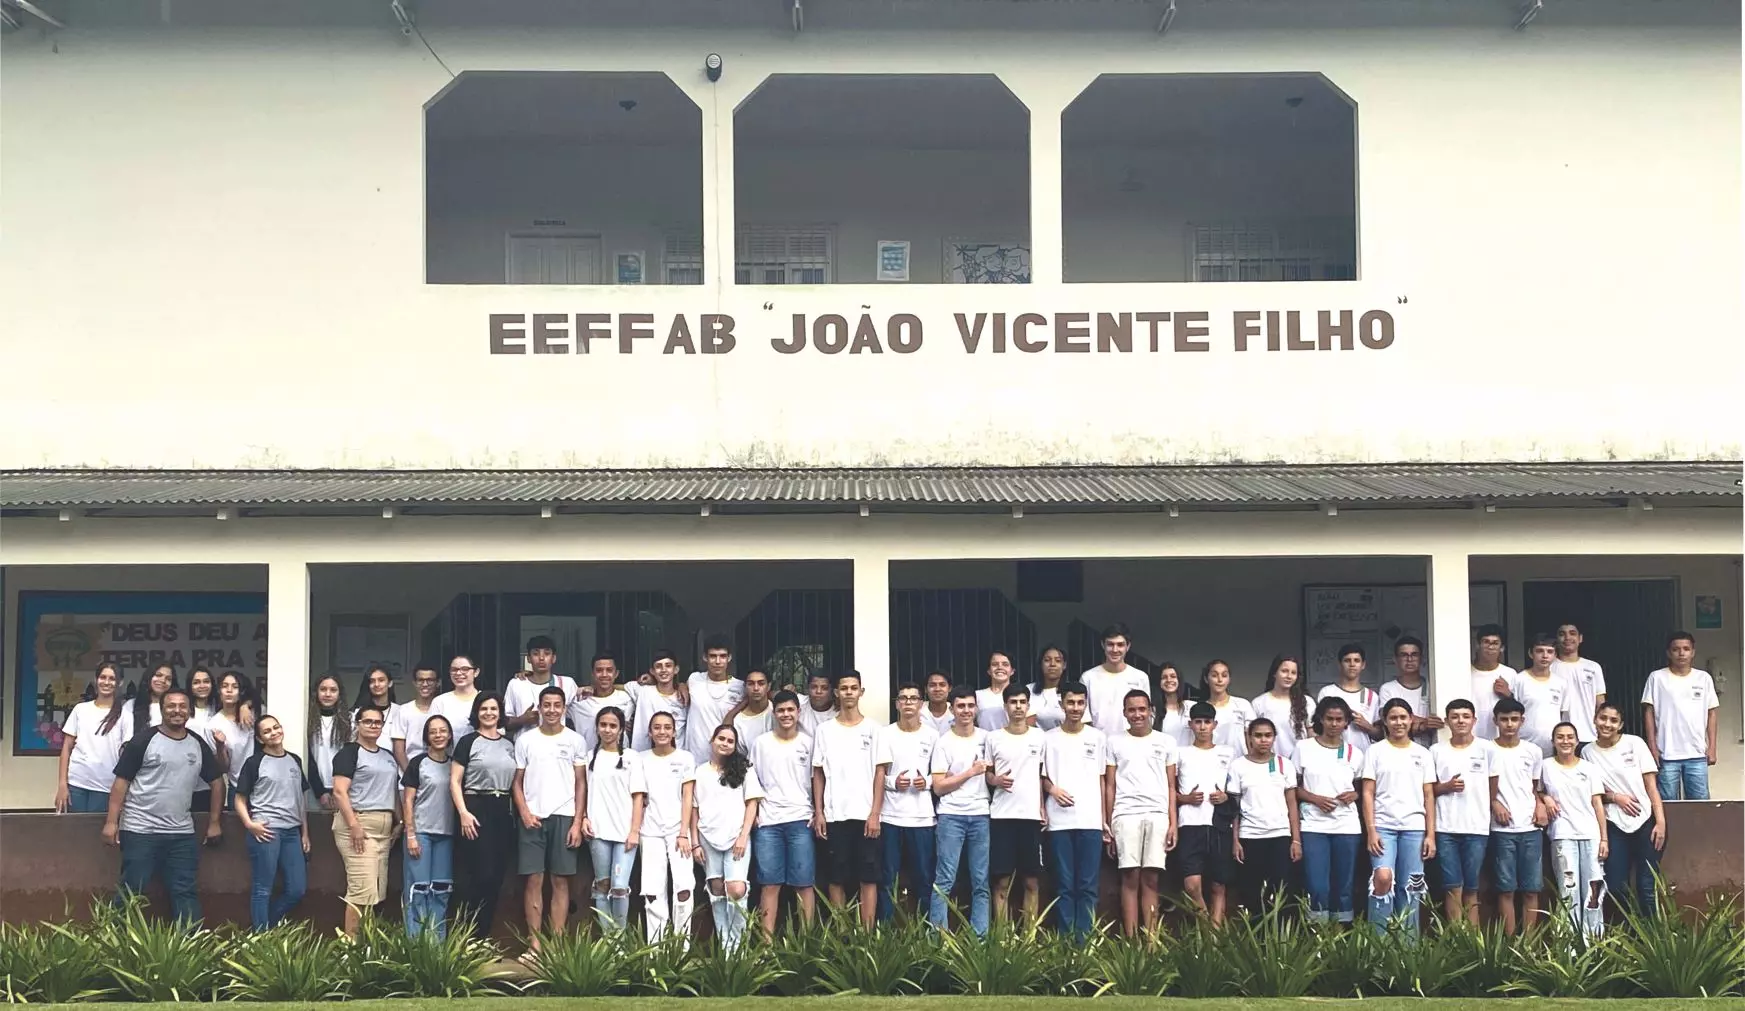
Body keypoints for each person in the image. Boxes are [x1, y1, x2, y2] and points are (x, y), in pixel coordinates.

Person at [103, 688, 224, 923]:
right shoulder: (143, 741)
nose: (177, 711)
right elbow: (121, 783)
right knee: (131, 891)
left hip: (181, 834)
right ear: (162, 710)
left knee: (184, 891)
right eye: (171, 706)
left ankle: (188, 946)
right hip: (140, 830)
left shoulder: (197, 743)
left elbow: (217, 782)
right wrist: (111, 822)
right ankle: (113, 942)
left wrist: (215, 822)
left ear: (189, 711)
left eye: (182, 706)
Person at [512, 686, 586, 956]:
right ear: (539, 708)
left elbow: (581, 784)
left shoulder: (576, 740)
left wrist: (578, 822)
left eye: (557, 705)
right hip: (533, 819)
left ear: (564, 708)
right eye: (547, 705)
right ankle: (534, 945)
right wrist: (524, 812)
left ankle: (556, 946)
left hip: (565, 818)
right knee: (533, 880)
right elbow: (517, 783)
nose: (552, 710)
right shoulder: (526, 740)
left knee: (560, 881)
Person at [811, 670, 883, 928]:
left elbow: (880, 773)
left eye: (854, 688)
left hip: (865, 815)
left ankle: (867, 935)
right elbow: (818, 773)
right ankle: (842, 934)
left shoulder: (874, 729)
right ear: (836, 693)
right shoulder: (824, 730)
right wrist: (819, 812)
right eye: (844, 688)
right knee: (836, 876)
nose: (849, 692)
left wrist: (875, 813)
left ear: (861, 692)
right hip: (835, 814)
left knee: (868, 876)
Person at [1360, 698, 1436, 938]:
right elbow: (1367, 793)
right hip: (1383, 827)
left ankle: (1407, 948)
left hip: (1414, 827)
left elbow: (1428, 795)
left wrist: (1430, 835)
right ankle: (1379, 944)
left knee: (1411, 888)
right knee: (1382, 879)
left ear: (1411, 720)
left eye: (1403, 717)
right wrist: (1371, 830)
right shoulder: (1375, 751)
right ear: (1385, 721)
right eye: (1393, 718)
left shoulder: (1422, 754)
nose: (1399, 722)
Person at [1106, 688, 1178, 935]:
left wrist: (1173, 823)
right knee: (1130, 878)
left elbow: (1171, 785)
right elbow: (1110, 785)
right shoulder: (1114, 741)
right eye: (1132, 710)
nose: (1137, 714)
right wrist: (1108, 823)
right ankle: (1130, 943)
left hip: (1158, 815)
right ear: (1124, 713)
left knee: (1151, 879)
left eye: (1142, 709)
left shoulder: (1166, 741)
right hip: (1125, 815)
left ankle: (1151, 943)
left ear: (1151, 711)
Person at [1041, 681, 1109, 941]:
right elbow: (1042, 777)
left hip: (1090, 821)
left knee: (1088, 886)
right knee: (1064, 885)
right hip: (1059, 822)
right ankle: (1066, 943)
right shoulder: (1048, 738)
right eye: (1071, 702)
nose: (1075, 708)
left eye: (1081, 703)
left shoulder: (1098, 738)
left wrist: (1103, 819)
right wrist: (1053, 790)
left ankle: (1085, 943)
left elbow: (1103, 780)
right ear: (1061, 704)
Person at [1584, 701, 1665, 916]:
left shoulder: (1635, 744)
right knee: (1617, 886)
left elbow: (1651, 786)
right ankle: (1627, 935)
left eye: (1613, 720)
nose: (1607, 724)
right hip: (1613, 825)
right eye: (1603, 718)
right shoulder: (1587, 752)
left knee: (1647, 886)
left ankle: (1651, 939)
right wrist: (1615, 797)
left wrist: (1661, 823)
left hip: (1645, 821)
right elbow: (1592, 793)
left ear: (1621, 725)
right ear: (1595, 719)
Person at [688, 724, 762, 953]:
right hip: (708, 837)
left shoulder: (744, 769)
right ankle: (726, 947)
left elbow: (752, 803)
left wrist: (743, 836)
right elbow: (694, 809)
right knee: (717, 888)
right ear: (712, 740)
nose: (725, 744)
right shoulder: (700, 772)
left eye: (730, 741)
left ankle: (739, 947)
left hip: (736, 838)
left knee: (736, 888)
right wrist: (695, 842)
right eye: (721, 738)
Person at [233, 715, 312, 930]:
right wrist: (250, 824)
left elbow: (300, 799)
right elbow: (239, 799)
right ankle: (261, 937)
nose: (273, 733)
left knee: (297, 889)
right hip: (266, 831)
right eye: (267, 731)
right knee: (262, 888)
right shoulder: (254, 762)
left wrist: (304, 833)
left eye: (276, 727)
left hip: (292, 832)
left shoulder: (295, 760)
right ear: (260, 739)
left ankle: (266, 925)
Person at [449, 692, 516, 940]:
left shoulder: (509, 744)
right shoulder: (468, 742)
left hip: (502, 810)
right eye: (484, 709)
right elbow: (455, 781)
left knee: (496, 878)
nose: (489, 713)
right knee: (479, 875)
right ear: (477, 712)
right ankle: (467, 937)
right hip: (475, 808)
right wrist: (463, 813)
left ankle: (483, 937)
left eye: (494, 709)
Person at [751, 690, 817, 933]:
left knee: (804, 884)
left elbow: (818, 779)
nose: (786, 715)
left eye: (790, 710)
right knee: (769, 885)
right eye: (781, 710)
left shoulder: (809, 743)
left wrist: (818, 811)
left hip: (802, 821)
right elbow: (752, 781)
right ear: (774, 713)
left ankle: (806, 943)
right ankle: (766, 948)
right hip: (768, 823)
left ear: (798, 712)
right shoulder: (761, 743)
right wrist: (754, 813)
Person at [331, 705, 400, 939]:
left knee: (376, 892)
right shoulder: (349, 753)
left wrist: (400, 822)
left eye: (377, 722)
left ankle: (366, 946)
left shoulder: (388, 756)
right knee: (361, 891)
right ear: (357, 724)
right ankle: (350, 948)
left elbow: (392, 791)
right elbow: (339, 792)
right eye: (367, 721)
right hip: (359, 823)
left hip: (385, 827)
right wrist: (354, 826)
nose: (373, 726)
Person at [928, 687, 992, 935]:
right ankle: (938, 938)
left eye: (970, 706)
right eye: (961, 706)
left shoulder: (987, 738)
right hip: (950, 816)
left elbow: (994, 774)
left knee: (981, 882)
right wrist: (970, 773)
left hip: (981, 814)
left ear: (976, 708)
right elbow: (939, 787)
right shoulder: (943, 742)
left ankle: (981, 940)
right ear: (952, 709)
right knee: (944, 879)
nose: (966, 711)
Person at [874, 682, 939, 923]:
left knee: (924, 878)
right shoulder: (886, 733)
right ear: (897, 704)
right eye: (903, 698)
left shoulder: (932, 736)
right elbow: (879, 773)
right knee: (888, 878)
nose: (908, 702)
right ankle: (886, 934)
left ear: (922, 703)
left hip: (923, 818)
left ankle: (925, 932)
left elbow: (941, 773)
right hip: (891, 817)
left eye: (913, 698)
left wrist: (929, 782)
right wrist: (893, 783)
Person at [1296, 697, 1364, 924]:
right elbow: (1292, 787)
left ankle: (1340, 938)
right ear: (1320, 720)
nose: (1334, 724)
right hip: (1313, 824)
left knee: (1343, 885)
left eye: (1339, 720)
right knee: (1318, 885)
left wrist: (1354, 794)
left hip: (1346, 825)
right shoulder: (1304, 747)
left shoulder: (1356, 752)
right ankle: (1317, 938)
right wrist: (1314, 799)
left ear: (1346, 723)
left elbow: (1362, 788)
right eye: (1329, 719)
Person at [1429, 699, 1494, 925]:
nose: (1461, 721)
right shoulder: (1436, 750)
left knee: (1472, 888)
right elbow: (1428, 790)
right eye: (1455, 716)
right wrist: (1445, 787)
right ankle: (1456, 941)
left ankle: (1473, 944)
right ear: (1447, 721)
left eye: (1466, 716)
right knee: (1452, 888)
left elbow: (1493, 787)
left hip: (1477, 827)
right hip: (1445, 828)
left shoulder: (1486, 749)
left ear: (1474, 720)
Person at [1540, 722, 1608, 936]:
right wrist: (1545, 798)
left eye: (1570, 737)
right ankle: (1568, 946)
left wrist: (1604, 839)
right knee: (1568, 890)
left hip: (1591, 836)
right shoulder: (1545, 766)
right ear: (1553, 741)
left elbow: (1597, 803)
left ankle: (1594, 941)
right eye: (1560, 737)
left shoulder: (1588, 768)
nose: (1565, 741)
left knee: (1593, 890)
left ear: (1577, 741)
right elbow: (1535, 790)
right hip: (1563, 837)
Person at [1227, 718, 1301, 914]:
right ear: (1249, 738)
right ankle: (1257, 938)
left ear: (1274, 738)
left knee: (1282, 890)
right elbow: (1233, 808)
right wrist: (1235, 841)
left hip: (1280, 835)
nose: (1263, 740)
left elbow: (1292, 804)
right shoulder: (1238, 766)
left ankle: (1282, 938)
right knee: (1252, 892)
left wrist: (1296, 840)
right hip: (1250, 836)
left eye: (1268, 735)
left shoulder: (1284, 764)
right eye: (1258, 735)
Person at [986, 683, 1046, 924]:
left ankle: (1029, 941)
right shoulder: (994, 738)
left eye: (1022, 702)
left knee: (1031, 880)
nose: (1018, 707)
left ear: (1028, 706)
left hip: (1030, 817)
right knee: (1001, 881)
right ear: (1005, 707)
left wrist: (1042, 807)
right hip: (1001, 817)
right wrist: (995, 780)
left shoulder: (1040, 737)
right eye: (1013, 702)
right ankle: (1002, 939)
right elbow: (987, 774)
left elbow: (1044, 775)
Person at [582, 706, 644, 932]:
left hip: (624, 833)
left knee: (619, 887)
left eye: (613, 726)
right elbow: (582, 792)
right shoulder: (589, 758)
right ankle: (609, 943)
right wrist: (584, 818)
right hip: (597, 831)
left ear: (620, 730)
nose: (607, 730)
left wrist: (635, 831)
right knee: (602, 885)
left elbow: (638, 796)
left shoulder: (632, 758)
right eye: (603, 725)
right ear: (597, 728)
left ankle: (619, 937)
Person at [1489, 697, 1548, 935]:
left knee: (1532, 889)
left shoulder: (1533, 751)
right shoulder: (1487, 750)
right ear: (1495, 721)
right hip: (1501, 830)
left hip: (1530, 828)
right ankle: (1511, 944)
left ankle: (1530, 947)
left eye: (1514, 719)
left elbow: (1534, 787)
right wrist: (1495, 804)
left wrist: (1539, 804)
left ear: (1522, 721)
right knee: (1506, 889)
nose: (1509, 725)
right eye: (1504, 720)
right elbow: (1483, 788)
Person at [638, 711, 697, 944]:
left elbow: (688, 797)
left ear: (674, 731)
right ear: (650, 732)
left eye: (667, 727)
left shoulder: (685, 758)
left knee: (684, 888)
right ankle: (656, 948)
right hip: (649, 831)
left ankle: (681, 946)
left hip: (679, 832)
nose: (662, 732)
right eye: (657, 727)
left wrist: (684, 833)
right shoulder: (639, 758)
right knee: (652, 891)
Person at [1174, 701, 1236, 924]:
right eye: (1198, 722)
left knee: (1219, 883)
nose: (1202, 727)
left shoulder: (1227, 753)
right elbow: (1170, 790)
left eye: (1207, 722)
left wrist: (1226, 797)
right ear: (1190, 724)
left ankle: (1217, 935)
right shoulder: (1180, 753)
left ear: (1214, 725)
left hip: (1219, 823)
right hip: (1189, 823)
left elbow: (1236, 789)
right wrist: (1185, 799)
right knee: (1192, 884)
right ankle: (1206, 928)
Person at [1641, 630, 1720, 801]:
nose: (1681, 653)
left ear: (1693, 652)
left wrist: (1712, 747)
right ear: (1669, 652)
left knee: (1700, 806)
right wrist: (1652, 748)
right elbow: (1649, 713)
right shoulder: (1657, 678)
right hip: (1666, 754)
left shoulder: (1703, 678)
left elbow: (1711, 713)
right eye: (1676, 649)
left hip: (1697, 754)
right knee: (1668, 804)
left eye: (1686, 648)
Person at [401, 715, 457, 937]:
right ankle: (416, 945)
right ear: (427, 737)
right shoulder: (418, 763)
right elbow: (407, 800)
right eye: (433, 732)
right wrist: (411, 834)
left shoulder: (455, 764)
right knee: (418, 890)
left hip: (447, 834)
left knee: (441, 891)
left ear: (450, 734)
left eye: (443, 731)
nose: (438, 735)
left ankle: (437, 945)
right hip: (421, 833)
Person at [57, 663, 131, 813]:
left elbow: (126, 757)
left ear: (120, 682)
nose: (106, 682)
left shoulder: (125, 715)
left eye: (112, 678)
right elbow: (66, 748)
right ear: (96, 679)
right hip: (76, 783)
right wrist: (62, 784)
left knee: (96, 834)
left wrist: (123, 791)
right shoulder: (81, 709)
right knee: (73, 833)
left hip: (106, 786)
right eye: (103, 677)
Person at [683, 636, 745, 764]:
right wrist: (680, 685)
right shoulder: (694, 679)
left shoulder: (739, 686)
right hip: (695, 755)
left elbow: (760, 696)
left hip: (724, 758)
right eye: (713, 656)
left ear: (729, 658)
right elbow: (672, 687)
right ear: (705, 657)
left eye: (722, 656)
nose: (717, 661)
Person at [1082, 624, 1151, 736]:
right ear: (1102, 645)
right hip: (1099, 743)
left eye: (1120, 645)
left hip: (1131, 743)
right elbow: (1084, 718)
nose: (1115, 650)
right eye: (1110, 644)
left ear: (1128, 646)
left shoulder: (1140, 677)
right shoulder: (1088, 677)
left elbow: (1146, 716)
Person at [505, 636, 578, 737]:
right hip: (525, 748)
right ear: (528, 658)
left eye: (547, 654)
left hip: (558, 746)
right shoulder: (516, 684)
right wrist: (522, 719)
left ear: (553, 658)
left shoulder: (567, 683)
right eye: (535, 653)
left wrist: (593, 689)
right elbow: (504, 723)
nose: (541, 658)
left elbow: (582, 713)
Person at [1379, 637, 1443, 749]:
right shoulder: (1388, 689)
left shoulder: (1433, 686)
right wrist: (1424, 724)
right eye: (1404, 655)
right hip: (1397, 748)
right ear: (1395, 659)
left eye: (1414, 654)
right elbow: (1387, 720)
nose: (1409, 659)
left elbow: (1442, 720)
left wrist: (1421, 724)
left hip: (1430, 748)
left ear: (1421, 658)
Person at [1317, 644, 1380, 753]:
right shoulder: (1327, 692)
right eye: (1347, 660)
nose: (1352, 664)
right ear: (1340, 664)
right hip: (1330, 753)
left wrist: (1367, 726)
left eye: (1356, 660)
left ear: (1363, 665)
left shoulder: (1371, 696)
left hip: (1363, 754)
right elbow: (1318, 727)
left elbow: (1380, 735)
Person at [1515, 634, 1571, 757]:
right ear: (1531, 653)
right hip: (1525, 744)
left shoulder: (1561, 683)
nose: (1545, 656)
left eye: (1550, 652)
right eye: (1540, 651)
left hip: (1553, 746)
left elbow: (1562, 714)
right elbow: (1514, 714)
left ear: (1555, 655)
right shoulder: (1519, 680)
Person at [205, 671, 259, 796]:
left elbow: (257, 698)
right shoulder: (214, 725)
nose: (229, 690)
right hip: (237, 787)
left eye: (235, 687)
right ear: (219, 691)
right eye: (225, 686)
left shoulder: (254, 713)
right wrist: (220, 745)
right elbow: (223, 768)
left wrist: (245, 705)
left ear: (242, 691)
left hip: (263, 785)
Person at [1554, 623, 1607, 746]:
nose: (1567, 638)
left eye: (1572, 633)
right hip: (1559, 736)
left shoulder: (1593, 667)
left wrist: (1601, 731)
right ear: (1557, 639)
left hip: (1589, 734)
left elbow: (1600, 703)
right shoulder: (1549, 667)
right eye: (1562, 634)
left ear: (1580, 638)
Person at [568, 652, 635, 748]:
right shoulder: (579, 701)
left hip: (620, 758)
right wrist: (577, 690)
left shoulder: (627, 698)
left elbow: (649, 689)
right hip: (588, 758)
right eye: (599, 670)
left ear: (616, 673)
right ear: (592, 674)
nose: (604, 674)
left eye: (609, 670)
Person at [1251, 655, 1309, 760]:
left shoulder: (1307, 702)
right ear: (1274, 673)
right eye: (1284, 671)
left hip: (1300, 762)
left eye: (1293, 673)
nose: (1289, 676)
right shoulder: (1259, 703)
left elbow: (1312, 734)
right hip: (1268, 762)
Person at [628, 651, 689, 752]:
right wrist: (593, 688)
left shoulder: (684, 698)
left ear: (676, 669)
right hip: (644, 756)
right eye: (658, 666)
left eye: (668, 666)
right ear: (652, 671)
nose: (663, 670)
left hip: (676, 758)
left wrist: (682, 685)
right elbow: (613, 686)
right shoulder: (643, 691)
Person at [307, 675, 350, 811]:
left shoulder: (349, 720)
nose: (327, 694)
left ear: (339, 694)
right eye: (323, 689)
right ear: (316, 692)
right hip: (314, 786)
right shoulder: (308, 719)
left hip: (343, 787)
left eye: (333, 690)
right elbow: (308, 758)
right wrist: (320, 792)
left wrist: (340, 790)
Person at [1471, 625, 1519, 741]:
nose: (1490, 646)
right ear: (1478, 645)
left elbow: (1518, 709)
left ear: (1502, 648)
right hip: (1470, 736)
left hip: (1499, 738)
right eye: (1486, 642)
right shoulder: (1464, 672)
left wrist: (1508, 695)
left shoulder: (1509, 673)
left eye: (1495, 643)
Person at [391, 666, 442, 768]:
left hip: (439, 771)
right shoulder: (403, 710)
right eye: (420, 680)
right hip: (409, 771)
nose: (425, 684)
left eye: (430, 680)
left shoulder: (443, 709)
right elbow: (399, 750)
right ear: (414, 683)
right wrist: (410, 776)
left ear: (438, 683)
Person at [1199, 659, 1255, 751]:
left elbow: (1252, 738)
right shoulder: (1201, 708)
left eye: (1224, 675)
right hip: (1211, 762)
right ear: (1206, 679)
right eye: (1214, 675)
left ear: (1229, 679)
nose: (1220, 680)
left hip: (1239, 762)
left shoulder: (1242, 705)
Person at [432, 655, 482, 739]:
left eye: (465, 669)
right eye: (454, 670)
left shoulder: (486, 700)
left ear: (476, 672)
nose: (458, 673)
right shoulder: (440, 701)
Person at [127, 663, 176, 739]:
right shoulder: (131, 705)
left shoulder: (177, 706)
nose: (163, 680)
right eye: (158, 675)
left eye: (168, 679)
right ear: (149, 677)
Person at [732, 669, 776, 750]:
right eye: (751, 684)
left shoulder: (779, 712)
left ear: (769, 686)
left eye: (761, 683)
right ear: (745, 686)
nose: (756, 688)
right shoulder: (738, 722)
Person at [352, 665, 399, 737]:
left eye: (381, 680)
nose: (376, 684)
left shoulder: (400, 712)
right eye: (372, 681)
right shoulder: (356, 713)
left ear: (390, 683)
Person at [976, 652, 1017, 731]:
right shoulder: (978, 695)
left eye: (1005, 664)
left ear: (1012, 671)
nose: (1000, 667)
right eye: (995, 664)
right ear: (989, 671)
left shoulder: (1020, 695)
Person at [1030, 645, 1068, 731]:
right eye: (1047, 660)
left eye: (1058, 661)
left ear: (1064, 665)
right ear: (1041, 664)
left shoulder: (1072, 690)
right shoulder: (1029, 690)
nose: (1052, 664)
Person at [1155, 663, 1191, 744]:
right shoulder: (1154, 710)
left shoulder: (1191, 707)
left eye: (1173, 676)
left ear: (1179, 680)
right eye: (1164, 677)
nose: (1169, 680)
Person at [799, 670, 839, 735]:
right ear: (807, 689)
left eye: (824, 688)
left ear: (832, 690)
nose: (818, 691)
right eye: (814, 687)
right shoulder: (799, 703)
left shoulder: (839, 712)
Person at [921, 671, 955, 736]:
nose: (937, 689)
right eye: (932, 685)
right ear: (925, 689)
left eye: (942, 685)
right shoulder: (918, 710)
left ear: (950, 688)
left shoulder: (957, 710)